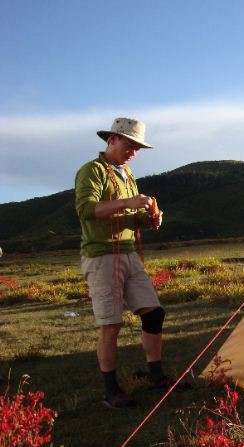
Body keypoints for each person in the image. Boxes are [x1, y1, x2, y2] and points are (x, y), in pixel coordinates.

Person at [75, 117, 174, 408]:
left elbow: (132, 218)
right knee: (111, 324)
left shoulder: (127, 174)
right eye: (130, 145)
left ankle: (154, 375)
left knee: (154, 313)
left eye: (138, 147)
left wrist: (151, 218)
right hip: (102, 255)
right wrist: (127, 204)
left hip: (128, 252)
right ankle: (111, 390)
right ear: (112, 140)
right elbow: (86, 210)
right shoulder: (92, 171)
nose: (133, 152)